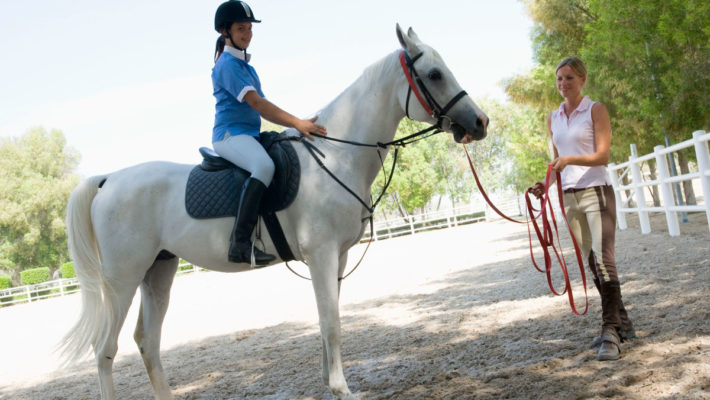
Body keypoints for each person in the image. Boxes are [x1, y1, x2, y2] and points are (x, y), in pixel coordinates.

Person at [530, 57, 635, 361]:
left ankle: (610, 331)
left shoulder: (595, 110)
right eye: (559, 79)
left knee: (604, 260)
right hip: (569, 197)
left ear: (583, 80)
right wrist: (545, 182)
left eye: (569, 78)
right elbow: (556, 160)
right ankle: (623, 323)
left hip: (596, 192)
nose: (563, 84)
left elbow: (602, 155)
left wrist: (570, 161)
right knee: (592, 263)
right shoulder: (553, 118)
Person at [211, 0, 327, 265]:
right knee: (263, 166)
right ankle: (239, 243)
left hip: (249, 134)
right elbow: (259, 104)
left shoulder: (247, 67)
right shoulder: (227, 65)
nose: (247, 35)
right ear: (225, 31)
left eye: (250, 29)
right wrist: (298, 122)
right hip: (229, 136)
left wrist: (292, 128)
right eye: (241, 29)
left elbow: (262, 108)